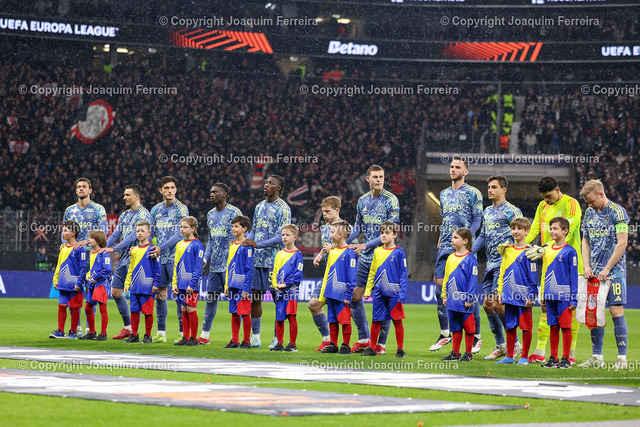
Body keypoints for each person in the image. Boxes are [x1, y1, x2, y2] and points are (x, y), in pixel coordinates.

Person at [525, 176, 582, 365]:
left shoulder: (571, 204)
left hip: (570, 265)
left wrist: (545, 247)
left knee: (569, 313)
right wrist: (518, 245)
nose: (546, 200)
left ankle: (569, 354)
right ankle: (542, 352)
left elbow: (569, 230)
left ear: (557, 190)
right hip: (548, 264)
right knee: (546, 310)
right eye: (543, 197)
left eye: (549, 196)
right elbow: (534, 228)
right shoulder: (542, 206)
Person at [431, 156, 483, 354]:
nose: (453, 169)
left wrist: (467, 239)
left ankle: (476, 335)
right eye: (451, 166)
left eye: (457, 167)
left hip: (464, 247)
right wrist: (440, 237)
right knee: (440, 289)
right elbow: (446, 219)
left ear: (465, 171)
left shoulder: (473, 193)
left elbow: (477, 220)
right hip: (445, 244)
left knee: (467, 291)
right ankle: (445, 333)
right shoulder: (443, 194)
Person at [347, 165, 400, 355]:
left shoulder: (391, 200)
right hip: (365, 258)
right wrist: (344, 241)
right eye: (375, 177)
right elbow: (357, 227)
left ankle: (381, 344)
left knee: (383, 300)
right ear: (367, 179)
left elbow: (390, 232)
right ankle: (364, 338)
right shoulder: (362, 201)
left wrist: (365, 245)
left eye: (381, 177)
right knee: (355, 296)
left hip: (384, 257)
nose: (379, 180)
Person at [579, 180, 629, 369]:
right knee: (595, 312)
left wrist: (607, 268)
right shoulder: (589, 213)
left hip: (614, 273)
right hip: (593, 274)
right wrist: (586, 266)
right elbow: (585, 241)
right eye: (587, 202)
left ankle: (622, 359)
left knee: (616, 311)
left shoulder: (618, 212)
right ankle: (597, 356)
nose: (590, 205)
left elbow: (622, 243)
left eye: (591, 201)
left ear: (601, 194)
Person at [472, 175, 523, 361]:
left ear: (504, 189)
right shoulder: (487, 211)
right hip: (490, 264)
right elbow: (483, 236)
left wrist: (514, 250)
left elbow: (521, 234)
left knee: (498, 304)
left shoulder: (511, 210)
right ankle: (501, 345)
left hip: (505, 265)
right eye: (488, 187)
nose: (489, 190)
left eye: (494, 187)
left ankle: (515, 344)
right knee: (487, 305)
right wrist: (469, 252)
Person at [243, 175, 291, 348]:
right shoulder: (259, 206)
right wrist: (246, 241)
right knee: (255, 298)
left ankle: (277, 338)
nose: (266, 185)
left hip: (275, 261)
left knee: (278, 300)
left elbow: (281, 236)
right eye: (266, 183)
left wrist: (257, 244)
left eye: (271, 183)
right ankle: (255, 338)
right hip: (257, 261)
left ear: (278, 188)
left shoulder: (283, 209)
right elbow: (254, 230)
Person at [102, 184, 151, 340]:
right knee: (116, 292)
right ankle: (128, 327)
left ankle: (140, 332)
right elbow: (115, 234)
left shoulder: (143, 214)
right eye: (124, 194)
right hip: (123, 258)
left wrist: (113, 249)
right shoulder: (124, 215)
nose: (124, 197)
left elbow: (132, 237)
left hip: (137, 259)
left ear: (137, 196)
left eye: (127, 195)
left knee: (138, 296)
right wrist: (102, 247)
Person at [62, 177, 108, 336]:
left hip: (93, 256)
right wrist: (64, 244)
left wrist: (87, 242)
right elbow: (65, 231)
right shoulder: (70, 210)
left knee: (91, 292)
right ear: (76, 190)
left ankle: (90, 328)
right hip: (74, 258)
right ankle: (76, 327)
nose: (81, 189)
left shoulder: (98, 209)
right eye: (79, 186)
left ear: (90, 190)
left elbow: (103, 232)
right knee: (73, 290)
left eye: (84, 186)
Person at [198, 183, 242, 345]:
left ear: (224, 194)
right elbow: (211, 239)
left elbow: (242, 236)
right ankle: (204, 336)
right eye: (210, 192)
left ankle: (236, 338)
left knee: (234, 301)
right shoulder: (210, 214)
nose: (211, 194)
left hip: (230, 265)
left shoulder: (234, 212)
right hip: (215, 265)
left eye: (215, 192)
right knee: (211, 299)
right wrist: (205, 258)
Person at [148, 176, 189, 343]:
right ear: (161, 190)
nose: (170, 191)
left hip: (177, 258)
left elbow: (180, 234)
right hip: (160, 259)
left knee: (179, 295)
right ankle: (161, 333)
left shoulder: (181, 209)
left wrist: (161, 247)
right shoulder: (155, 210)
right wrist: (143, 249)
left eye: (172, 187)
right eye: (166, 188)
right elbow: (151, 233)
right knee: (160, 294)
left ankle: (182, 332)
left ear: (176, 190)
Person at [495, 218, 538, 365]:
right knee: (510, 326)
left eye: (519, 229)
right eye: (513, 229)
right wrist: (500, 292)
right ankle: (509, 356)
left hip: (524, 296)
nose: (516, 231)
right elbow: (502, 271)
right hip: (509, 295)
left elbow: (533, 276)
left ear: (527, 232)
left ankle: (524, 357)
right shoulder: (507, 250)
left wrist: (531, 295)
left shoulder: (530, 252)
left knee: (526, 327)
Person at [362, 221, 408, 358]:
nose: (383, 235)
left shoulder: (399, 252)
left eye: (387, 233)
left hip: (394, 293)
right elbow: (372, 271)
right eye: (382, 233)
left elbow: (403, 274)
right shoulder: (377, 251)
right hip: (379, 292)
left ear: (395, 235)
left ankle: (400, 349)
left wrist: (402, 294)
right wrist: (368, 289)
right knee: (376, 320)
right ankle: (372, 348)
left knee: (397, 320)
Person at [539, 217, 578, 369]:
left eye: (555, 228)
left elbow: (573, 276)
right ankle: (553, 357)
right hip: (550, 295)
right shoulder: (547, 250)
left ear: (565, 231)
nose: (552, 231)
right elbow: (544, 273)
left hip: (564, 296)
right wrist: (543, 294)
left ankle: (566, 358)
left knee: (566, 327)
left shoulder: (570, 251)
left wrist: (574, 299)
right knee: (553, 326)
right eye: (551, 228)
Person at [309, 196, 342, 351]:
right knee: (314, 305)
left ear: (337, 210)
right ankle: (327, 340)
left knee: (350, 311)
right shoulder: (324, 228)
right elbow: (326, 247)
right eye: (323, 211)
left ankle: (365, 339)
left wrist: (333, 249)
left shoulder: (345, 228)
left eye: (328, 211)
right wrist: (320, 256)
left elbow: (352, 249)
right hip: (328, 275)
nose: (324, 214)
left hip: (342, 276)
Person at [319, 220, 357, 354]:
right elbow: (327, 272)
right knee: (332, 319)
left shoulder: (350, 253)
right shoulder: (333, 251)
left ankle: (345, 345)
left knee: (345, 320)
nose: (330, 234)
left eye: (332, 232)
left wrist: (348, 294)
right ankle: (333, 344)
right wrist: (324, 292)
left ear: (340, 235)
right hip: (330, 292)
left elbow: (352, 275)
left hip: (342, 294)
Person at [441, 228, 478, 362]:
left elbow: (472, 280)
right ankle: (455, 353)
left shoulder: (471, 259)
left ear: (465, 241)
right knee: (455, 327)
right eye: (452, 237)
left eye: (456, 237)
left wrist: (469, 298)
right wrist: (444, 295)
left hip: (464, 300)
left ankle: (468, 354)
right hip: (452, 300)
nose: (452, 240)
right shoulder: (450, 258)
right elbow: (446, 277)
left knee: (469, 328)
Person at [123, 221, 161, 344]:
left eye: (142, 231)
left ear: (149, 233)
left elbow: (157, 269)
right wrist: (127, 283)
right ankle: (134, 334)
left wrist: (156, 284)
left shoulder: (152, 249)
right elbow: (131, 267)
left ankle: (148, 335)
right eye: (138, 231)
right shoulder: (133, 250)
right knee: (134, 310)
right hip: (135, 286)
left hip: (147, 286)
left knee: (147, 312)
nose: (139, 233)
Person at [49, 221, 87, 339]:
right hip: (63, 283)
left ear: (73, 233)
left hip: (75, 284)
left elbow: (83, 267)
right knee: (61, 306)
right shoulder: (63, 248)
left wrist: (79, 283)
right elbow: (59, 264)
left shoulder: (80, 249)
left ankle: (73, 332)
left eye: (65, 231)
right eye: (63, 230)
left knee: (74, 308)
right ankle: (60, 331)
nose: (63, 233)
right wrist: (56, 279)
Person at [270, 224, 304, 352]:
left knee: (291, 316)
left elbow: (298, 274)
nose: (284, 237)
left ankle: (292, 344)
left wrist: (286, 284)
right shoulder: (279, 254)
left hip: (291, 291)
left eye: (287, 235)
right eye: (283, 235)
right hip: (279, 291)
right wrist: (275, 285)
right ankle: (279, 343)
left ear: (294, 237)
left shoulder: (298, 254)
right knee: (279, 317)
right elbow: (274, 272)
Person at [172, 216, 205, 346]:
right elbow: (176, 265)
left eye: (185, 227)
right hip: (181, 284)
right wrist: (174, 283)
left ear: (193, 228)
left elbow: (198, 267)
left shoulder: (197, 245)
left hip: (191, 285)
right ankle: (185, 337)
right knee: (184, 309)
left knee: (191, 309)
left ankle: (193, 338)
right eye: (181, 227)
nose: (182, 229)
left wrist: (193, 284)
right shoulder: (179, 244)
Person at [223, 215, 254, 349]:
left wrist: (246, 288)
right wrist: (226, 285)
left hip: (242, 286)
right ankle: (234, 340)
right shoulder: (232, 245)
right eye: (232, 226)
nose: (233, 229)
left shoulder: (247, 246)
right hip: (232, 284)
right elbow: (228, 265)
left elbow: (249, 268)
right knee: (234, 313)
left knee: (245, 313)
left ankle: (246, 341)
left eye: (236, 226)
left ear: (244, 228)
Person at [79, 230, 112, 341]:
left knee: (102, 308)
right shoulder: (92, 253)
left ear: (98, 240)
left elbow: (107, 269)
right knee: (88, 307)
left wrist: (96, 277)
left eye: (91, 238)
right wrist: (88, 275)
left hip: (101, 284)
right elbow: (93, 268)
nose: (89, 240)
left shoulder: (104, 253)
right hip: (93, 283)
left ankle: (103, 333)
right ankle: (92, 332)